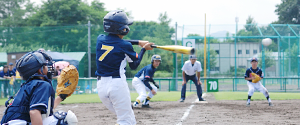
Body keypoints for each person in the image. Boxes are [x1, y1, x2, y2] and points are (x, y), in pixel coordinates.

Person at [96, 10, 153, 125]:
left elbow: (115, 42)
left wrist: (138, 42)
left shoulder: (100, 39)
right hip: (117, 86)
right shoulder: (125, 45)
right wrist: (143, 49)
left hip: (101, 87)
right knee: (125, 119)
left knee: (129, 118)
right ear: (122, 29)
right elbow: (134, 65)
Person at [1, 51, 78, 125]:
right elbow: (34, 112)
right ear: (39, 70)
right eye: (45, 66)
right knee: (66, 118)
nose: (48, 68)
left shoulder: (30, 84)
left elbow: (45, 111)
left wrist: (61, 96)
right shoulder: (42, 84)